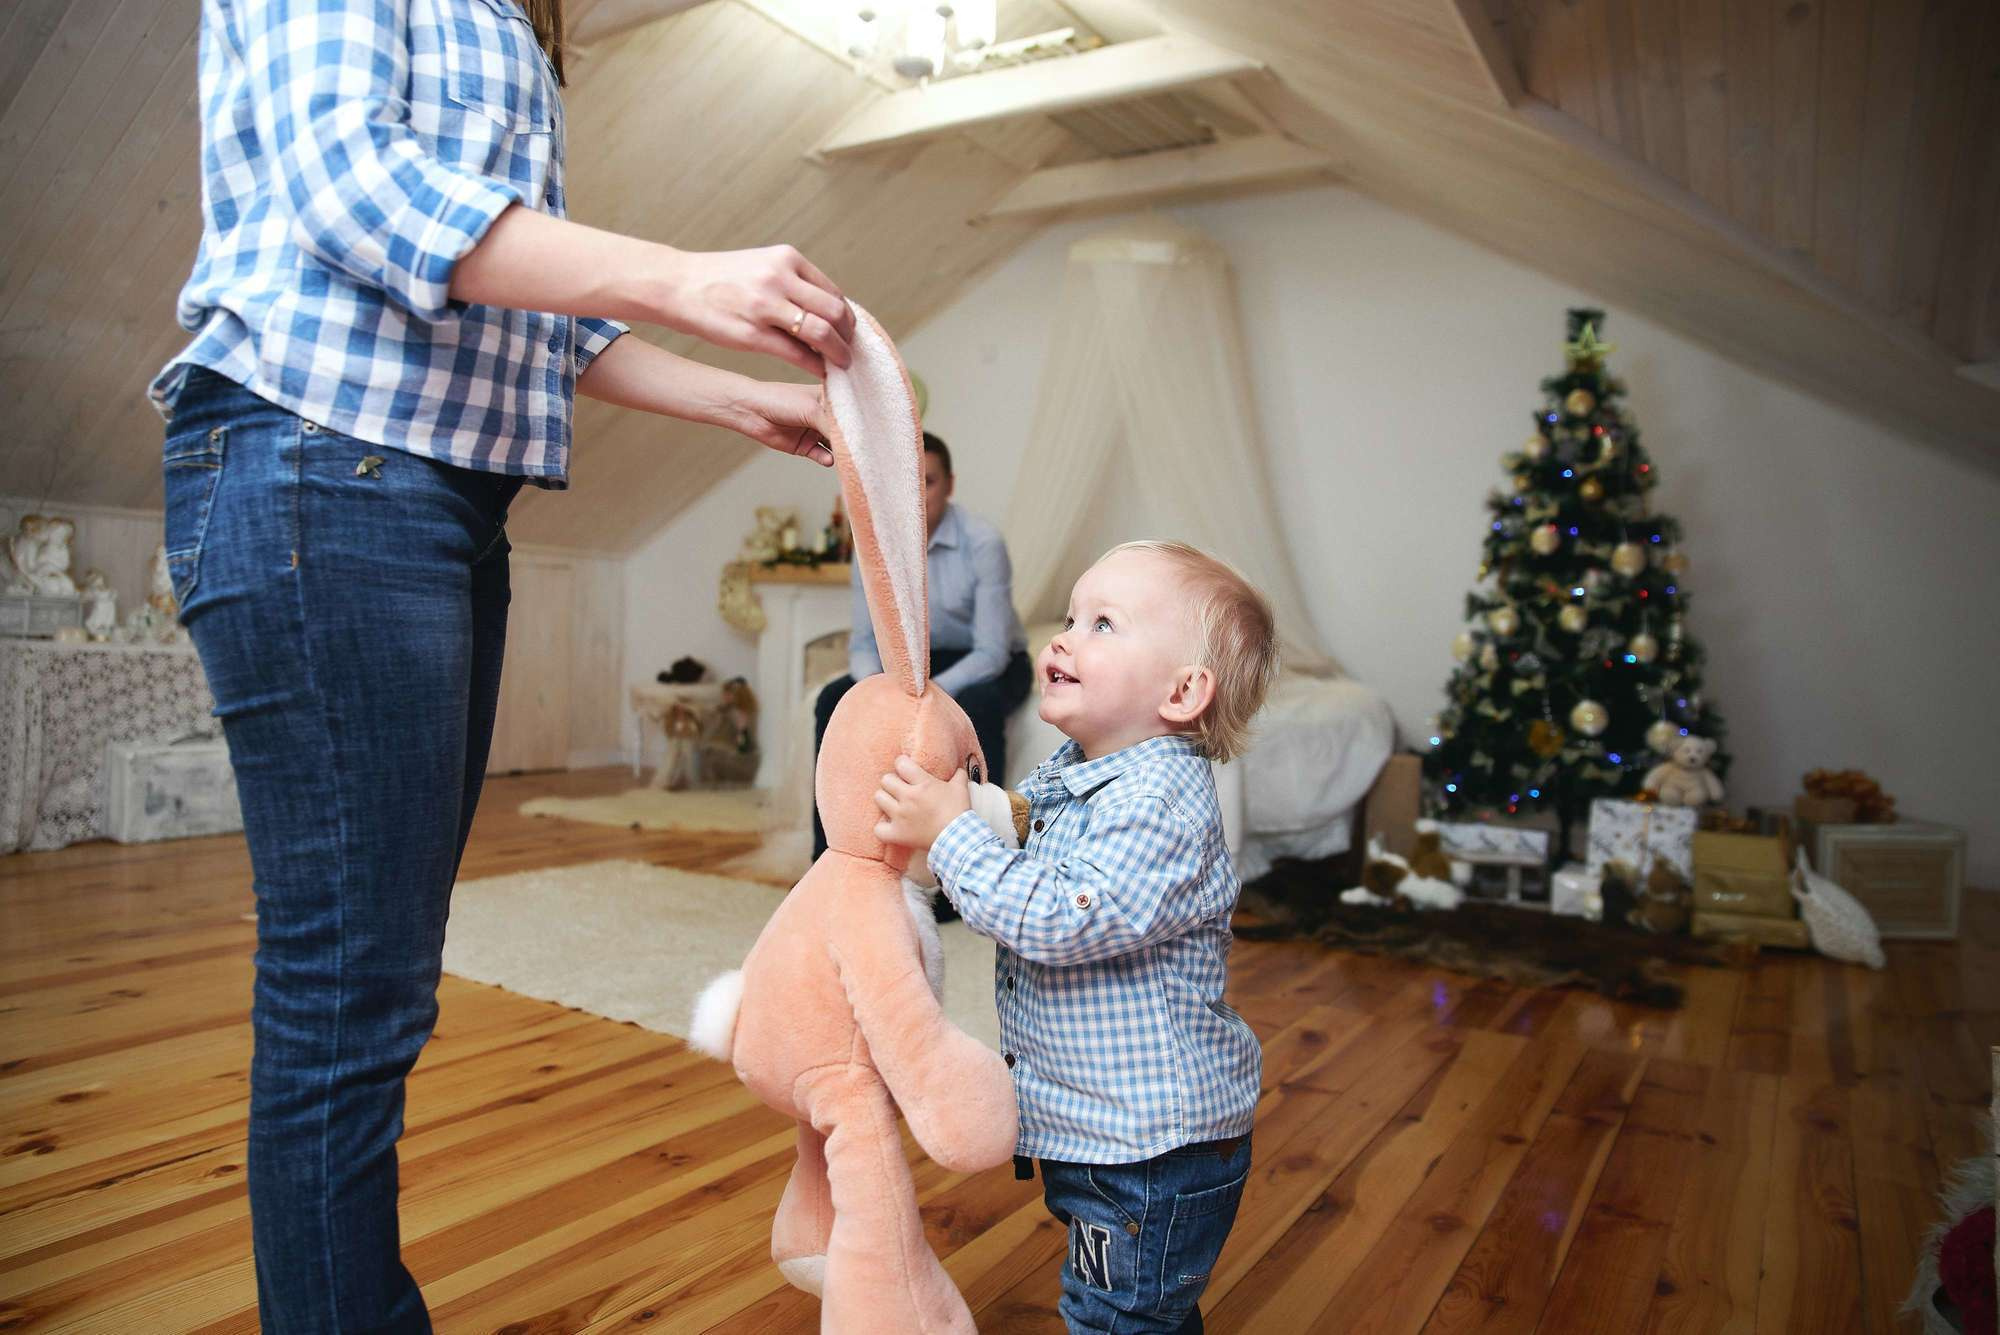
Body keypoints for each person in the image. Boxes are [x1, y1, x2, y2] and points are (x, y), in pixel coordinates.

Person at [150, 0, 854, 1327]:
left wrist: (731, 395)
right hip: (322, 463)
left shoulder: (518, 29)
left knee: (378, 981)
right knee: (348, 989)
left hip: (429, 496)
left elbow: (538, 314)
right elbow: (358, 188)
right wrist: (688, 273)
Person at [872, 539, 1280, 1335]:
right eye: (1069, 616)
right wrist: (961, 811)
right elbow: (1020, 829)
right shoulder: (1077, 769)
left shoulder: (1160, 801)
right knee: (1141, 1314)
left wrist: (952, 833)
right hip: (1103, 1133)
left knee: (1115, 1317)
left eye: (1103, 623)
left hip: (1152, 1150)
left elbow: (1058, 915)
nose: (1061, 638)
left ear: (1183, 690)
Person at [811, 431, 1029, 861]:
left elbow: (991, 651)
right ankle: (836, 857)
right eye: (908, 482)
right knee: (832, 699)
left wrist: (926, 698)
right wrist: (882, 693)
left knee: (977, 705)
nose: (917, 494)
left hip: (988, 663)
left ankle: (976, 865)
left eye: (928, 482)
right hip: (909, 666)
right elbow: (862, 642)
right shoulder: (871, 546)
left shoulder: (983, 543)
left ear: (949, 484)